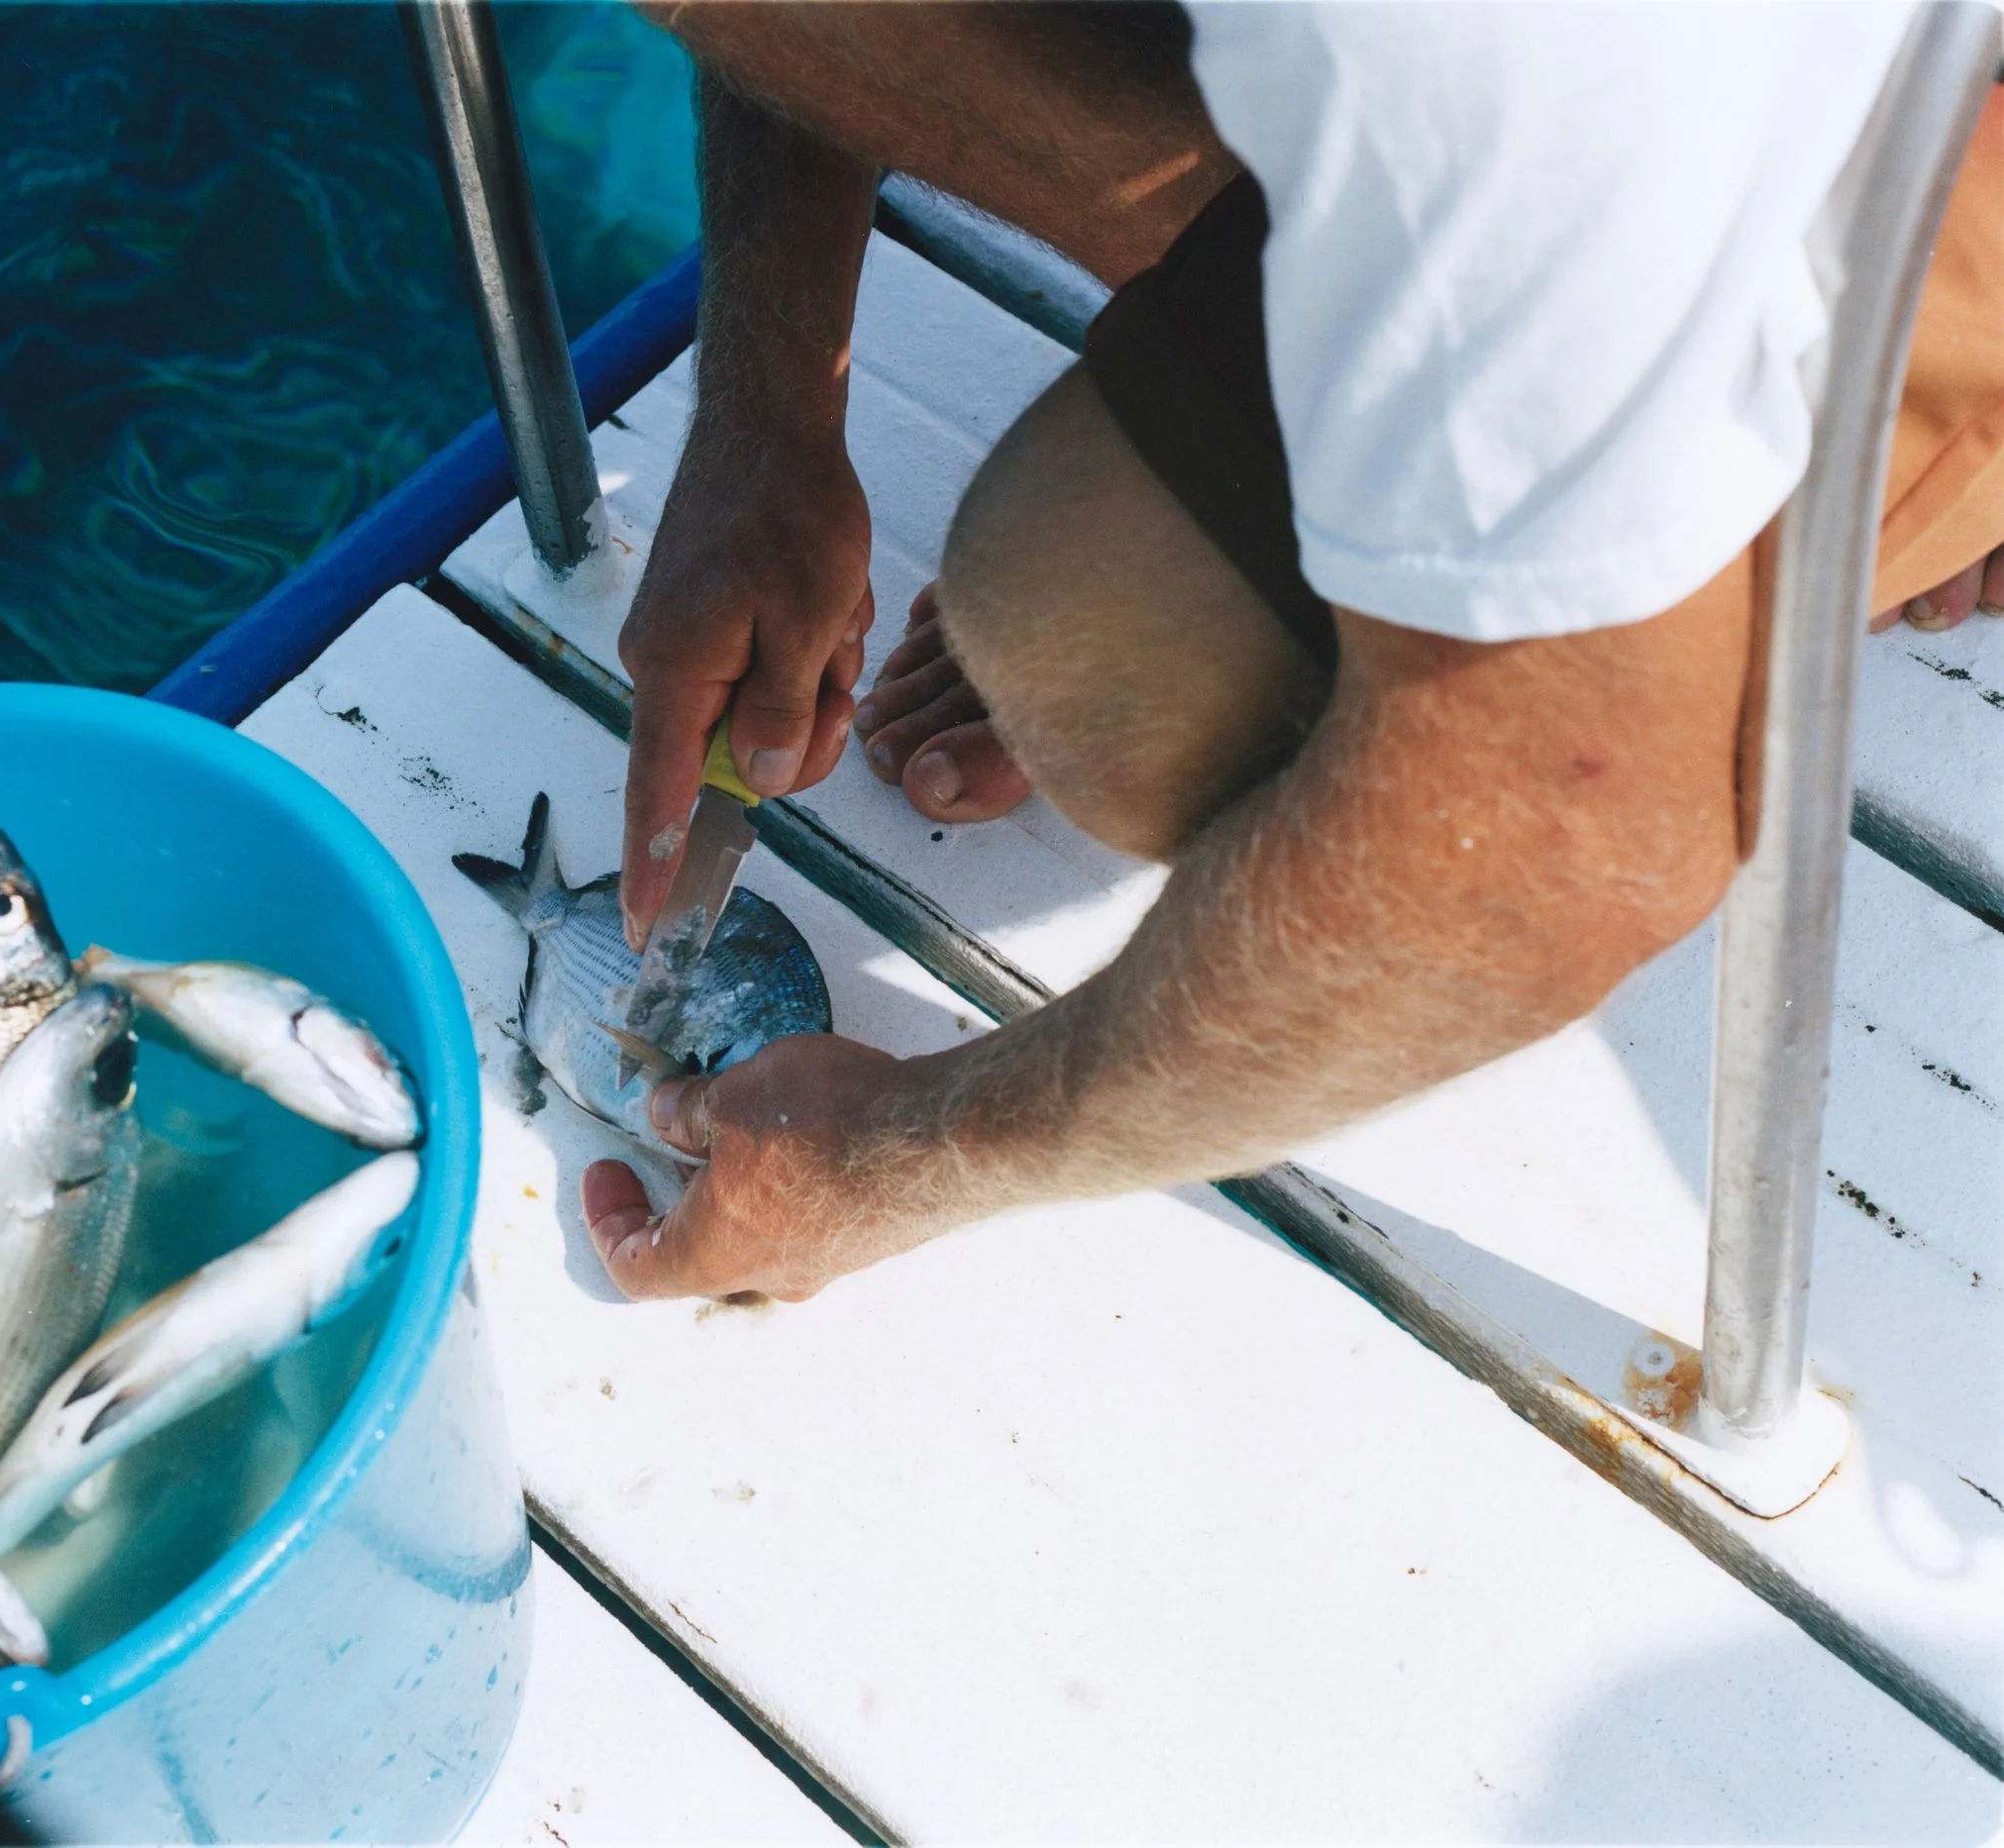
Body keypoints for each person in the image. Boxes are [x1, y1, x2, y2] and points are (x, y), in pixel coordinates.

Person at [578, 3, 2004, 1300]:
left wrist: (895, 1153)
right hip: (1521, 112)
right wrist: (767, 404)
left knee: (1124, 676)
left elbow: (1574, 834)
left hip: (1888, 131)